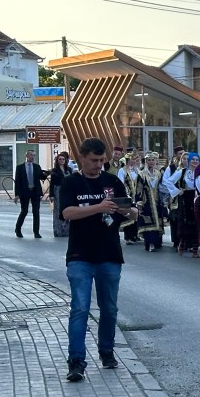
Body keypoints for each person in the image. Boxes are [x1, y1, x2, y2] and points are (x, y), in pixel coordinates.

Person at [59, 137, 139, 382]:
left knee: (109, 308)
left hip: (109, 254)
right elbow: (67, 213)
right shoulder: (71, 183)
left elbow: (134, 212)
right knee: (80, 308)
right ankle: (76, 361)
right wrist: (99, 207)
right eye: (94, 160)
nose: (98, 165)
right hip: (80, 255)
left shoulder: (112, 181)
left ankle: (106, 351)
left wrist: (127, 210)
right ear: (81, 158)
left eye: (102, 160)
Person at [133, 153, 167, 252]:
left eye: (153, 160)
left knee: (158, 220)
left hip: (157, 201)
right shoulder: (142, 174)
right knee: (148, 221)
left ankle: (157, 242)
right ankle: (150, 243)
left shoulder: (158, 173)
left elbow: (161, 187)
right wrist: (138, 201)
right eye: (149, 160)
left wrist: (164, 199)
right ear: (146, 161)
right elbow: (138, 188)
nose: (151, 162)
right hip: (146, 201)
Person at [14, 150, 48, 239]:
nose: (33, 157)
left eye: (34, 155)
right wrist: (17, 194)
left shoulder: (37, 167)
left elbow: (42, 177)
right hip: (24, 192)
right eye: (31, 155)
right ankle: (18, 229)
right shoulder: (20, 167)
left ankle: (36, 232)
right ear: (27, 155)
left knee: (36, 212)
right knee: (24, 211)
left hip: (35, 192)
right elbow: (17, 181)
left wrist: (48, 173)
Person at [49, 151, 74, 239]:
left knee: (67, 209)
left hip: (68, 191)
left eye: (63, 159)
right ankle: (58, 230)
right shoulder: (55, 171)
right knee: (58, 211)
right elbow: (52, 183)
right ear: (57, 161)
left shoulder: (69, 169)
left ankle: (66, 230)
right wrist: (51, 195)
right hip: (58, 190)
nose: (62, 161)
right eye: (60, 159)